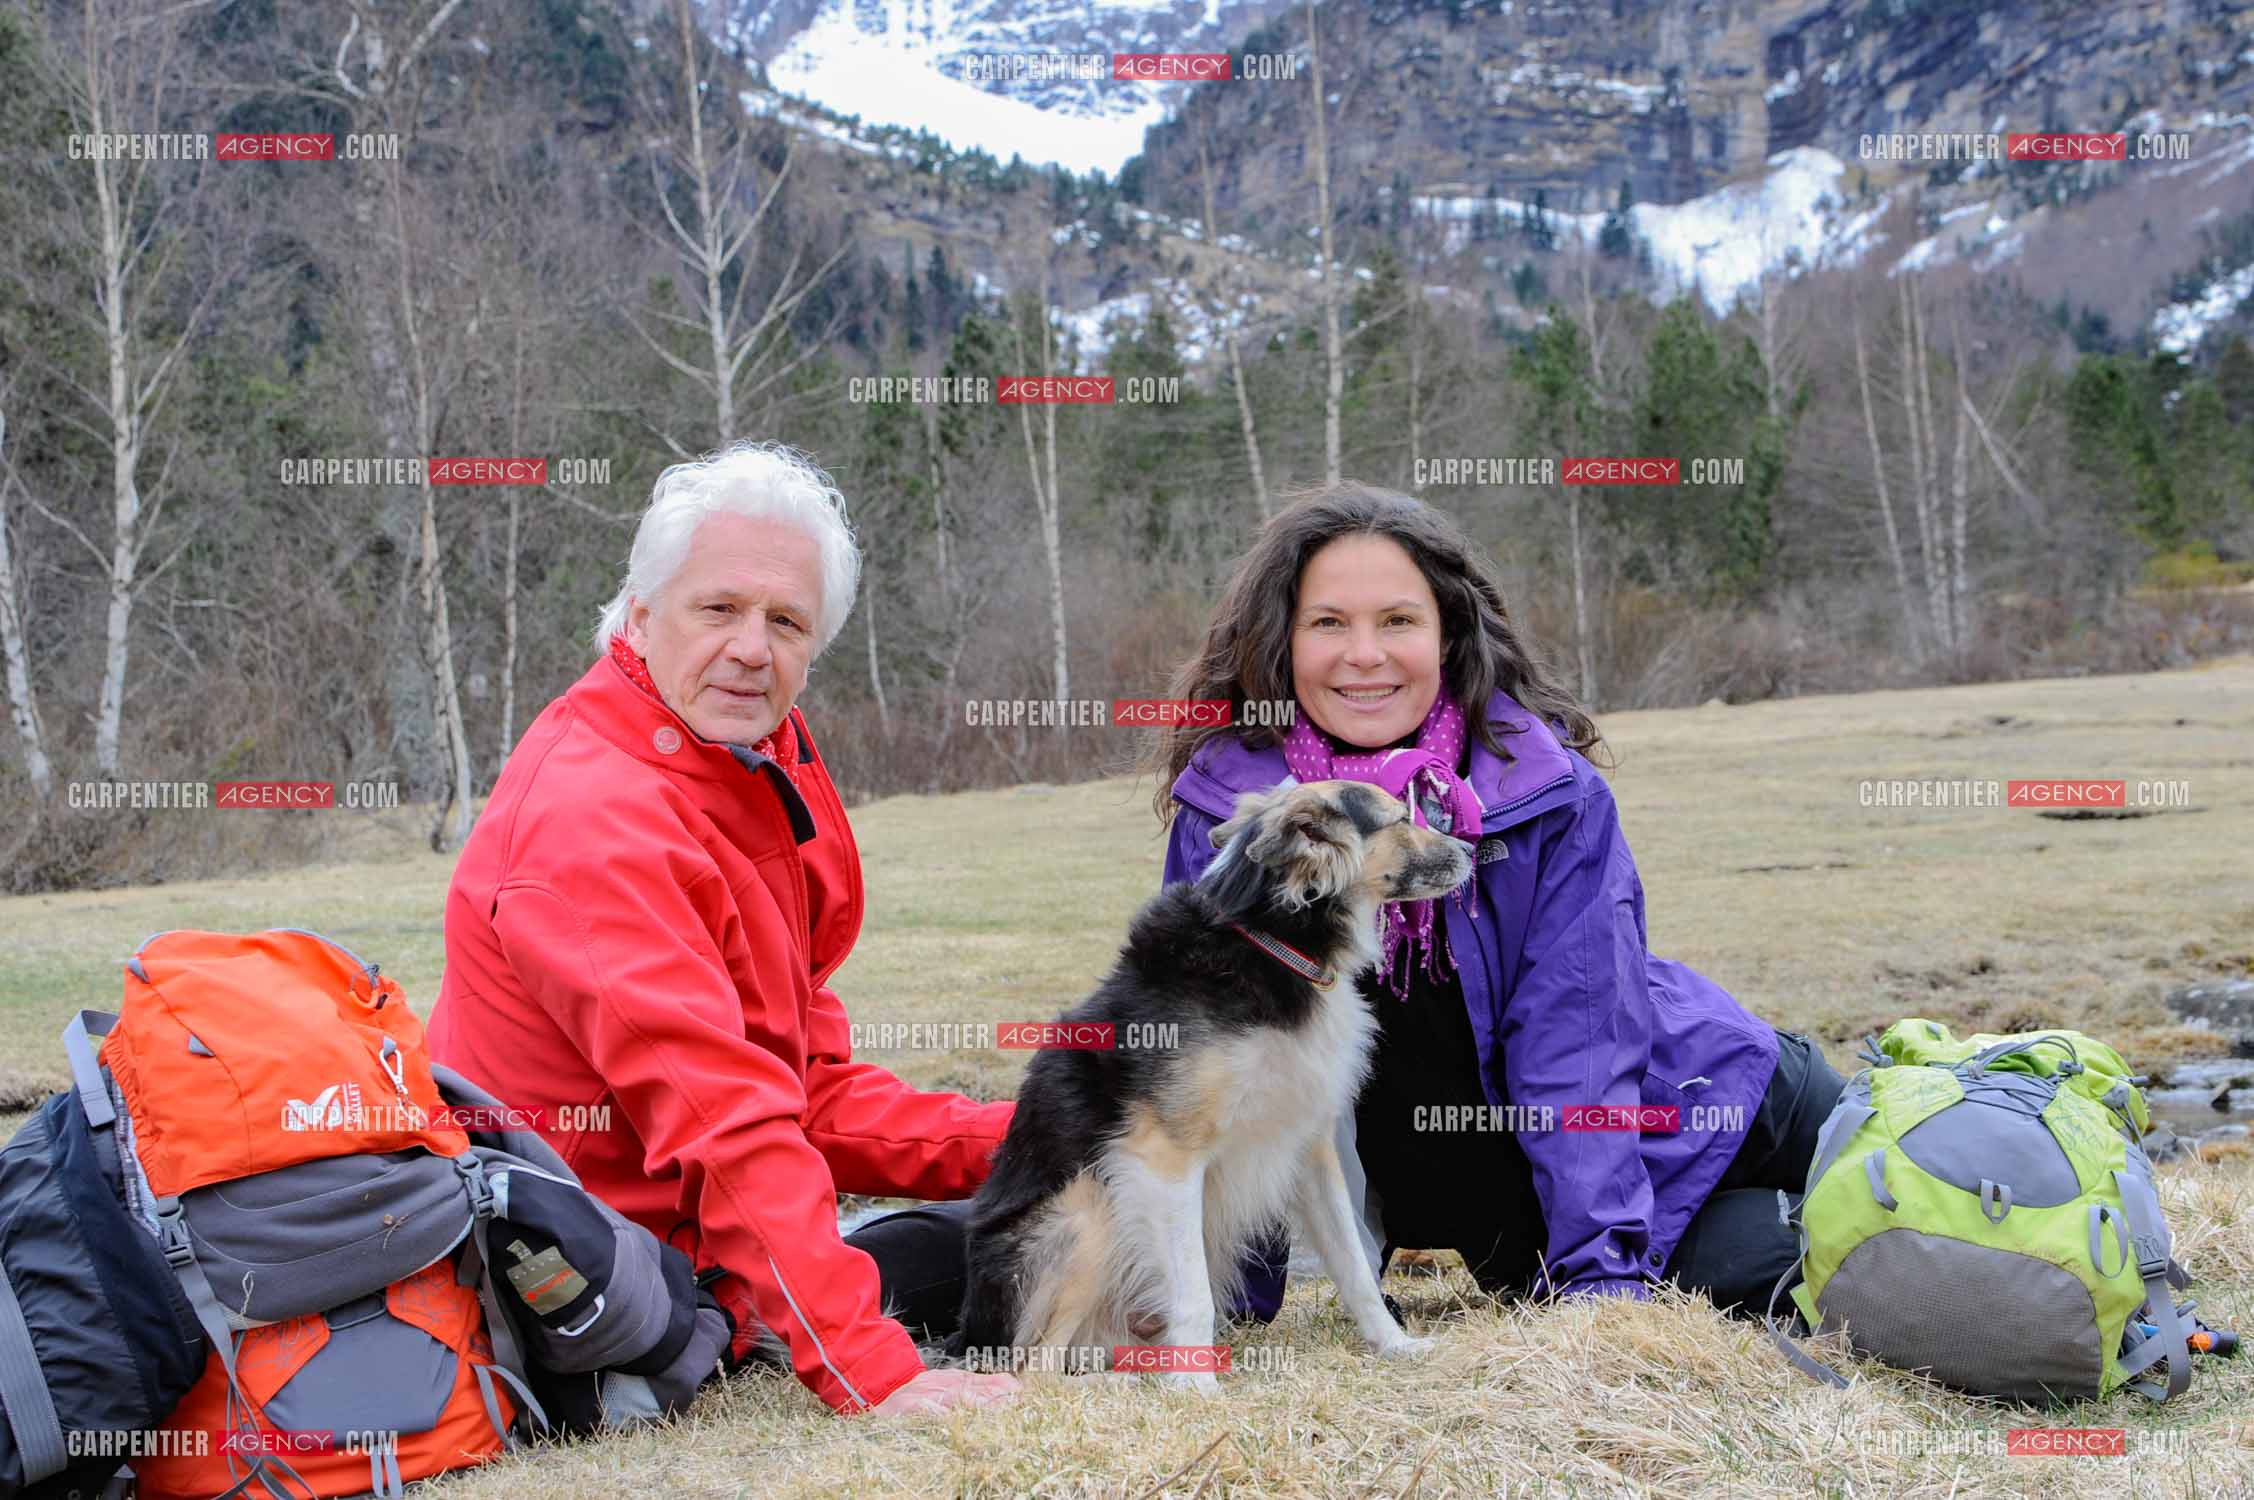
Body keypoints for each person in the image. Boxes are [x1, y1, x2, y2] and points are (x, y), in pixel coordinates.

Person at [1149, 482, 1847, 1317]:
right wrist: (1229, 1298)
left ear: (1448, 634)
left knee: (1931, 1168)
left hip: (1709, 1090)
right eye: (1328, 622)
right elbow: (1218, 1072)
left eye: (1399, 621)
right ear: (1280, 642)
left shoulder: (1548, 792)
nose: (1364, 654)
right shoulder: (1237, 822)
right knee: (1841, 1260)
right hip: (1524, 1211)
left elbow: (1581, 1039)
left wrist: (1599, 1283)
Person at [428, 441, 1019, 1418]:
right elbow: (729, 1127)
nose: (753, 646)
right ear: (643, 613)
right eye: (720, 609)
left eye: (786, 621)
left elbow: (806, 1095)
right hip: (592, 1294)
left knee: (1032, 1207)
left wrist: (1046, 1135)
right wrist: (877, 1374)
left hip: (701, 1262)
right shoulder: (596, 815)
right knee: (975, 1248)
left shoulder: (737, 767)